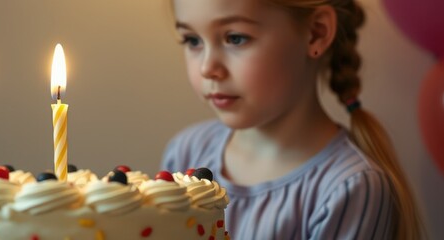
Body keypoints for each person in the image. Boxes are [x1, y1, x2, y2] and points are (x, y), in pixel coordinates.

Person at [160, 0, 423, 239]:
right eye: (192, 40)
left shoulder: (348, 188)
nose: (207, 68)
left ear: (316, 33)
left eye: (235, 38)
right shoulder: (185, 151)